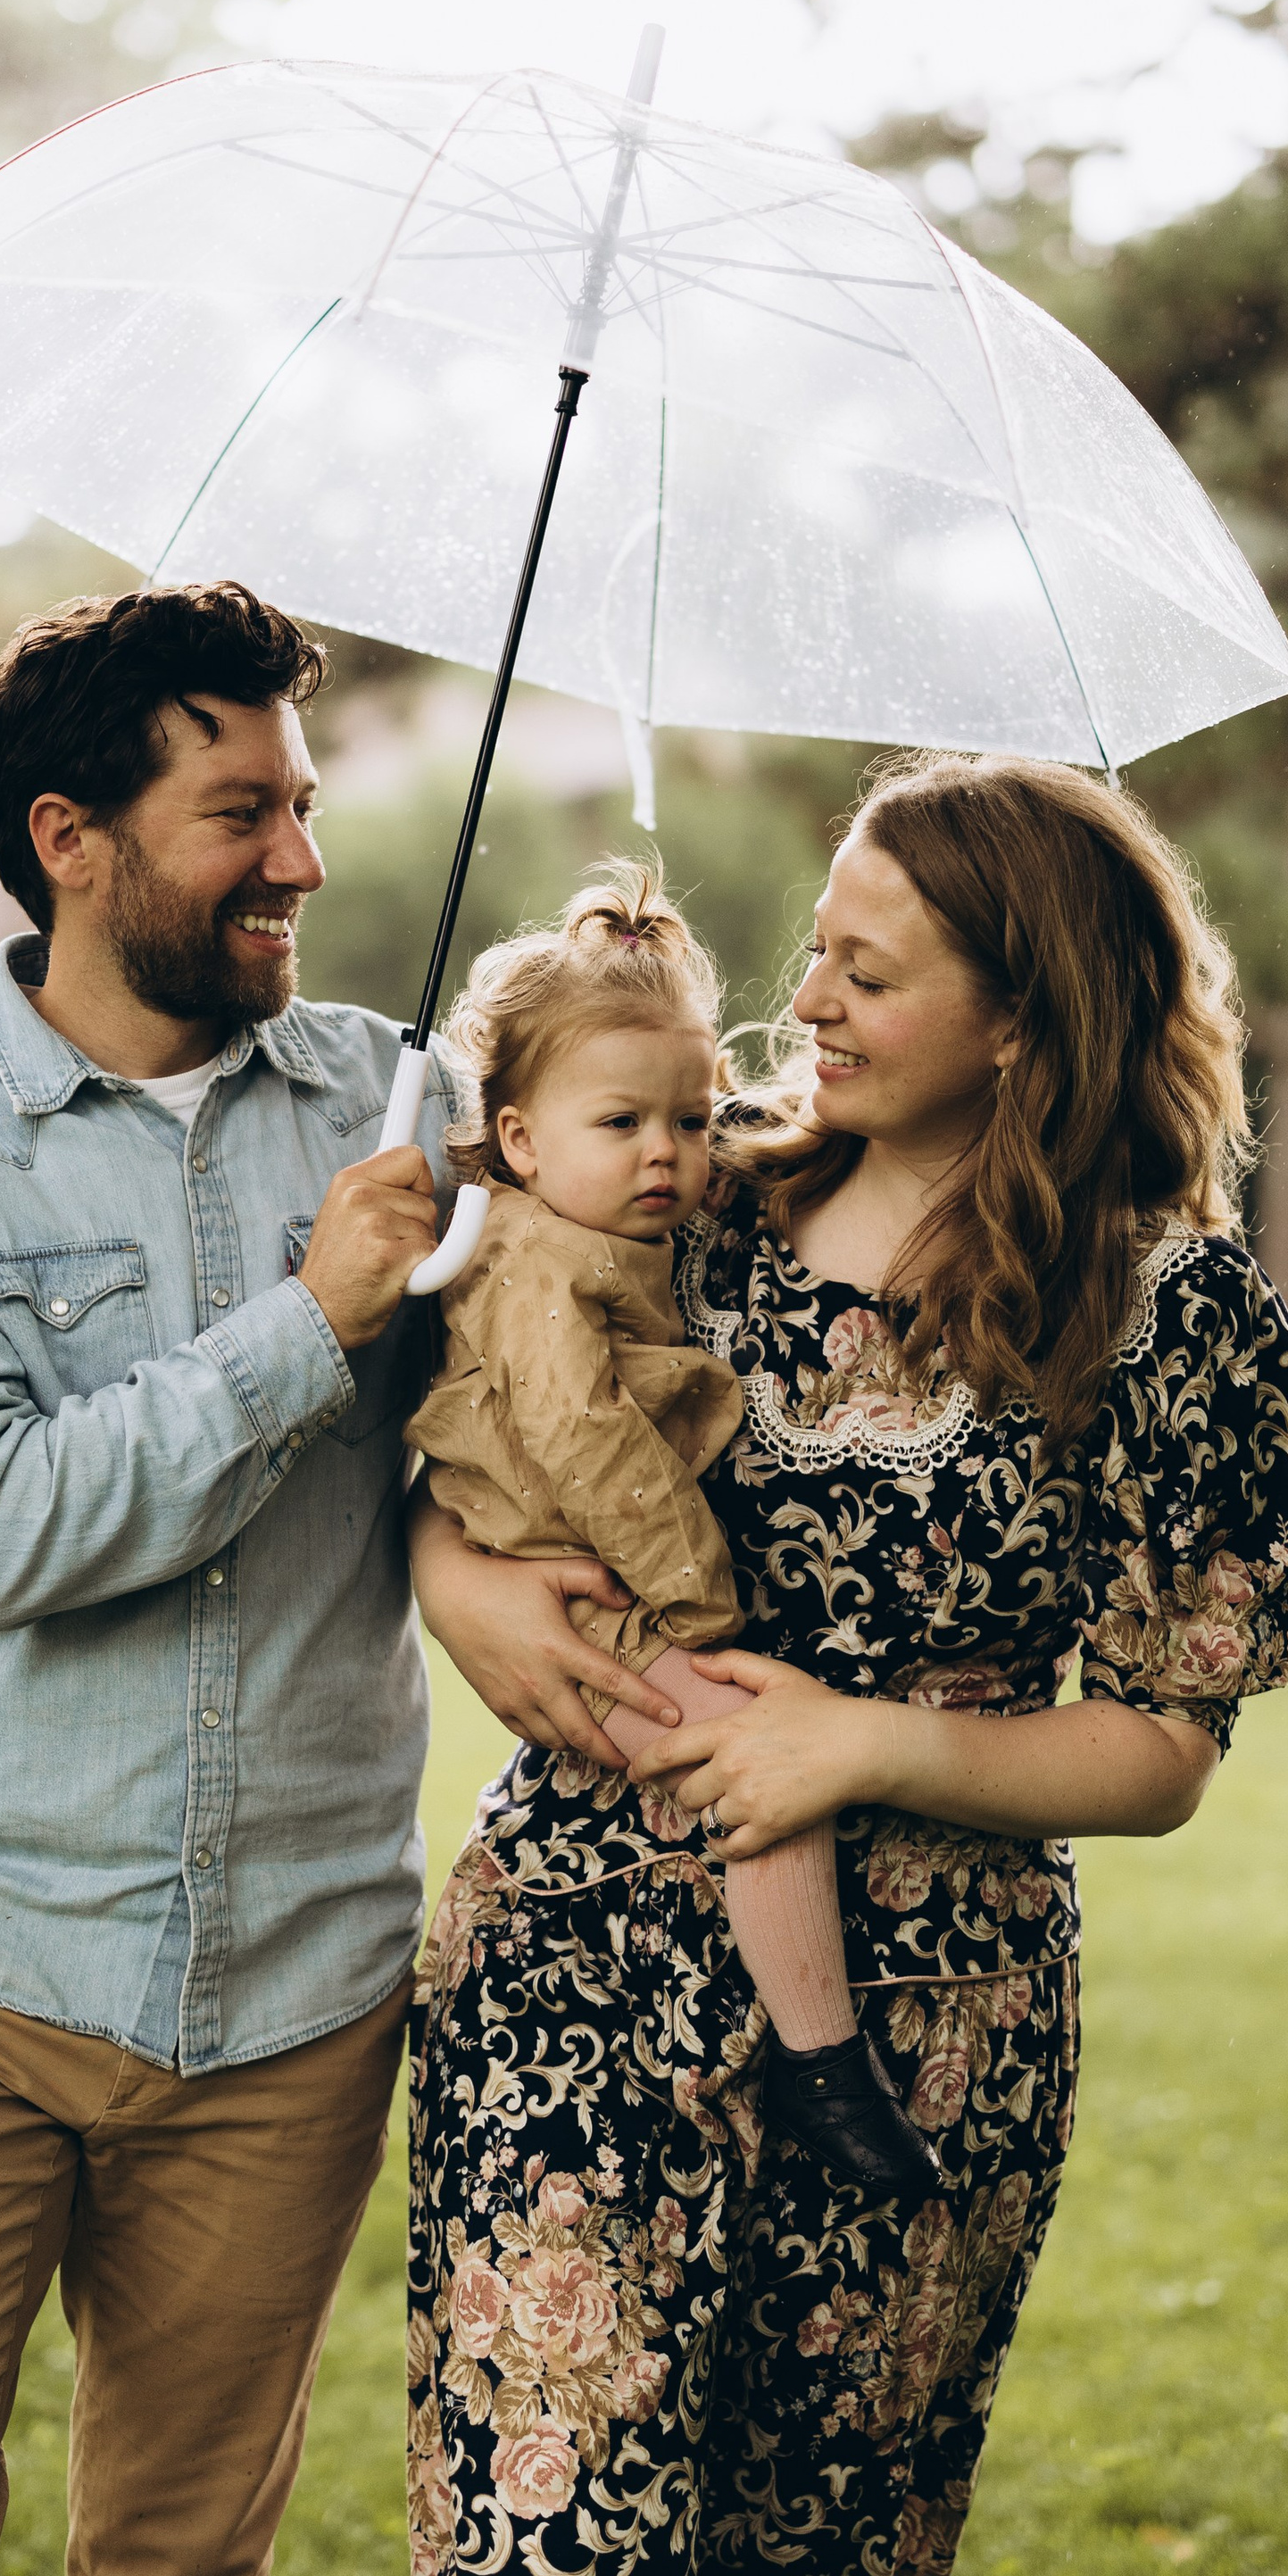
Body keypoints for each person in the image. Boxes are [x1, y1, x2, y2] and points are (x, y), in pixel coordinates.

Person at [343, 751, 1288, 2576]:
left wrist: (858, 1746)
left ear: (1023, 1015)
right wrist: (459, 1585)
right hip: (579, 1978)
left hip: (923, 2043)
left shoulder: (1160, 1313)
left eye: (867, 968)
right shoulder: (679, 1198)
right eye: (813, 942)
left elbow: (1162, 1744)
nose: (805, 996)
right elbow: (474, 1450)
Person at [0, 582, 643, 2576]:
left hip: (297, 1993)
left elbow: (573, 1358)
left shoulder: (397, 1112)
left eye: (306, 809)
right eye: (239, 811)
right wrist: (303, 1321)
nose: (302, 863)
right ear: (72, 836)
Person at [407, 862, 943, 2204]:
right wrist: (703, 1610)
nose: (669, 1155)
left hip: (596, 1576)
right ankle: (825, 2060)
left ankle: (812, 2051)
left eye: (690, 1121)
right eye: (622, 1123)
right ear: (519, 1141)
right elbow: (595, 1452)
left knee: (752, 1777)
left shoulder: (618, 1220)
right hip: (598, 1586)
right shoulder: (533, 1264)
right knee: (758, 1781)